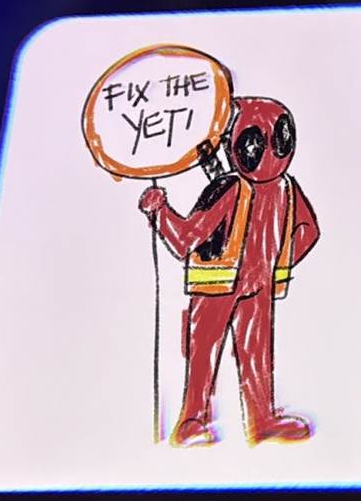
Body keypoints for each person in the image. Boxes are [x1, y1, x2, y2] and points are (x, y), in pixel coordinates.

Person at [138, 96, 321, 447]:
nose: (270, 152)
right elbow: (307, 233)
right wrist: (276, 262)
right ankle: (198, 421)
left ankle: (243, 421)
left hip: (229, 284)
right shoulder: (278, 187)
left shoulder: (250, 188)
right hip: (229, 285)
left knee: (240, 354)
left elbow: (184, 240)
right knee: (231, 353)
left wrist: (159, 211)